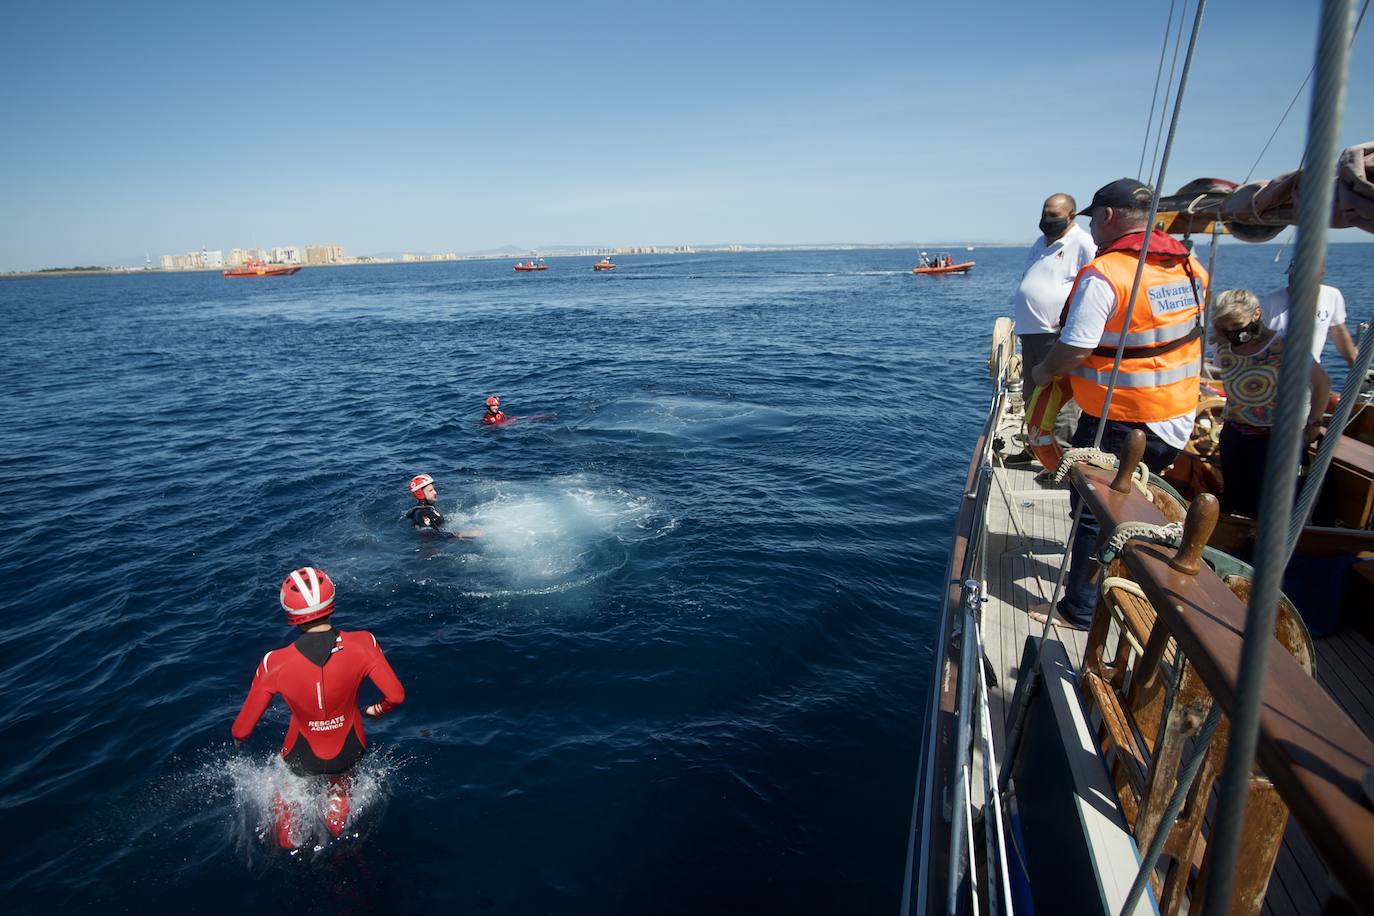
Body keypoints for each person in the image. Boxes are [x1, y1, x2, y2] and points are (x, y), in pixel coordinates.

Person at [1029, 178, 1209, 630]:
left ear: (1107, 216)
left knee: (1094, 511)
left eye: (1094, 218)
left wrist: (1044, 373)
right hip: (1175, 414)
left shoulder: (1108, 273)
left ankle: (1081, 609)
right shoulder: (1187, 266)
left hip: (1122, 418)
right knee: (1122, 506)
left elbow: (1075, 346)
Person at [231, 566, 406, 848]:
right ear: (331, 601)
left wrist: (239, 740)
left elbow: (242, 729)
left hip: (301, 755)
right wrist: (376, 710)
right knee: (340, 785)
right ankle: (338, 818)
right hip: (350, 749)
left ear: (289, 611)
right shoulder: (365, 643)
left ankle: (291, 845)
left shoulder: (273, 663)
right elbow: (396, 696)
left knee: (291, 800)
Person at [1211, 288, 1330, 517]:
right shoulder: (1223, 347)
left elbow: (1322, 384)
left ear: (1256, 315)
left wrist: (1313, 425)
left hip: (1277, 440)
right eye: (1225, 328)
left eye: (1236, 324)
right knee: (1240, 502)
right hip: (1235, 435)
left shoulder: (1286, 345)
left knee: (1278, 509)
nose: (1232, 332)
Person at [1006, 193, 1097, 466]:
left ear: (1071, 215)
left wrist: (1071, 320)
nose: (1046, 220)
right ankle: (1035, 450)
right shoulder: (1039, 243)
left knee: (1059, 401)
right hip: (1031, 332)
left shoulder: (1082, 242)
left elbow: (1092, 283)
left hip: (1056, 334)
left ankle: (1061, 460)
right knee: (1032, 395)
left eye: (1053, 215)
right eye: (1044, 214)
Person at [1260, 259, 1357, 367]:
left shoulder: (1332, 296)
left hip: (1311, 374)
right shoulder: (1267, 303)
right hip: (1274, 373)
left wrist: (1354, 364)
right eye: (1292, 276)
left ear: (1320, 275)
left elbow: (1339, 332)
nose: (1294, 281)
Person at [405, 473, 481, 538]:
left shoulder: (429, 507)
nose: (435, 493)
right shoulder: (422, 513)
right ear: (420, 494)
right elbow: (431, 535)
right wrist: (460, 534)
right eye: (430, 490)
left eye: (434, 489)